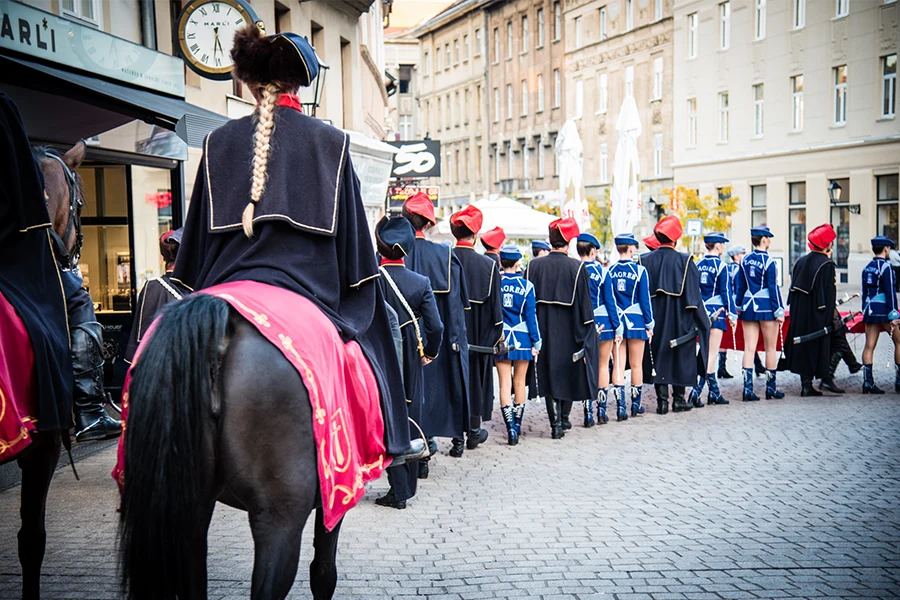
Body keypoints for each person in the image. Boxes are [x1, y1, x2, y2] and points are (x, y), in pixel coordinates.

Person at [170, 26, 424, 465]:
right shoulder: (331, 143)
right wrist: (359, 287)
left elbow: (192, 253)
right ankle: (393, 439)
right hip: (308, 290)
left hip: (223, 287)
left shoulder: (215, 143)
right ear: (300, 84)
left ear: (247, 84)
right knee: (376, 325)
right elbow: (357, 257)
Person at [0, 93, 72, 443]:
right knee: (75, 302)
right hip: (9, 252)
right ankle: (87, 404)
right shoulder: (3, 108)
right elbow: (25, 207)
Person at [373, 216, 443, 509]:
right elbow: (436, 327)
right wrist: (429, 352)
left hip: (378, 356)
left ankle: (396, 487)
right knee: (410, 415)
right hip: (412, 359)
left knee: (386, 416)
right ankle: (405, 488)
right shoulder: (421, 283)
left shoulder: (371, 279)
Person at [401, 192, 470, 476]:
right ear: (429, 224)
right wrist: (453, 343)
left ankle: (413, 450)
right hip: (434, 340)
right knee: (432, 393)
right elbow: (454, 310)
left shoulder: (391, 253)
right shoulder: (445, 256)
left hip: (402, 341)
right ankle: (428, 443)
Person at [526, 217, 597, 439]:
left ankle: (554, 423)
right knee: (567, 373)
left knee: (547, 375)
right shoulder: (577, 268)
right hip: (569, 329)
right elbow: (585, 307)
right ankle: (563, 419)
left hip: (543, 328)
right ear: (568, 241)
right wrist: (586, 336)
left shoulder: (533, 266)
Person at [641, 216, 710, 414]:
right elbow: (694, 297)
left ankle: (662, 402)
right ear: (676, 239)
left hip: (654, 318)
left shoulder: (644, 260)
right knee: (681, 356)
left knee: (659, 355)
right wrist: (703, 322)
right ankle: (678, 399)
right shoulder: (685, 261)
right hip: (681, 318)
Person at [450, 205, 503, 456]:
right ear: (475, 234)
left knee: (451, 381)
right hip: (479, 336)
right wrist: (494, 339)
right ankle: (473, 431)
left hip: (449, 334)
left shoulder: (444, 259)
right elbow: (496, 312)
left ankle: (455, 438)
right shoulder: (489, 265)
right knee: (475, 382)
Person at [781, 224, 840, 397]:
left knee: (803, 346)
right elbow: (829, 294)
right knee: (819, 346)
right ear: (826, 245)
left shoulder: (799, 261)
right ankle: (824, 379)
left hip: (799, 312)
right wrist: (830, 317)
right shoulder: (827, 264)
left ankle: (806, 384)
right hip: (818, 313)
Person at [494, 246, 541, 445]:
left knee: (504, 384)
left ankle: (509, 427)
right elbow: (531, 318)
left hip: (501, 338)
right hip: (522, 338)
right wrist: (537, 341)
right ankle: (517, 425)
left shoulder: (496, 283)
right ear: (517, 263)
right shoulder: (527, 286)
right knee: (520, 383)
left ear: (501, 263)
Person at [734, 226, 785, 402]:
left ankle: (747, 390)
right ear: (763, 240)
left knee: (749, 348)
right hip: (766, 307)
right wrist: (779, 310)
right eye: (769, 238)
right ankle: (771, 389)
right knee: (770, 348)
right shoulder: (770, 262)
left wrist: (738, 305)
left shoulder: (744, 260)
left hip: (748, 306)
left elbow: (740, 286)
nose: (770, 241)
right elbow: (773, 288)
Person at [124, 228, 190, 364]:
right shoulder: (200, 288)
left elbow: (140, 340)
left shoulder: (151, 287)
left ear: (163, 258)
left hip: (156, 367)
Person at [607, 234, 654, 419]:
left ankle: (620, 407)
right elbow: (645, 300)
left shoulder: (609, 271)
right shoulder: (640, 271)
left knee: (618, 365)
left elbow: (608, 299)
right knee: (636, 365)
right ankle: (636, 405)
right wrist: (650, 324)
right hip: (636, 320)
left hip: (617, 320)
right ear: (632, 249)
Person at [578, 232, 621, 425]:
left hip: (582, 323)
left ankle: (587, 413)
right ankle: (601, 411)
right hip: (604, 321)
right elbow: (610, 301)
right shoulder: (604, 272)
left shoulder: (575, 270)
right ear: (593, 251)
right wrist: (617, 325)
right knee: (603, 365)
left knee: (587, 367)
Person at [689, 232, 736, 407]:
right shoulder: (722, 266)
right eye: (722, 243)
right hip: (717, 311)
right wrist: (732, 314)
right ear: (717, 245)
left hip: (701, 311)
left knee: (705, 351)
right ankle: (697, 391)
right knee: (711, 354)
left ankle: (714, 392)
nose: (723, 246)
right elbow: (726, 292)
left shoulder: (698, 264)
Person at [860, 236, 900, 394]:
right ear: (886, 249)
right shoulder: (887, 268)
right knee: (899, 341)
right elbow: (890, 292)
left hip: (870, 310)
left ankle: (868, 382)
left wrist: (864, 310)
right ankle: (899, 381)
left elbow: (865, 293)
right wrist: (894, 314)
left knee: (869, 346)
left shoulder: (867, 268)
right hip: (884, 311)